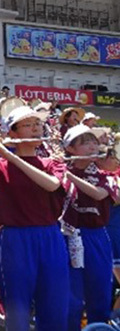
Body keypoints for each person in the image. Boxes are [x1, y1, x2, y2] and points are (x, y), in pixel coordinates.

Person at [0, 106, 69, 331]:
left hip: (50, 235)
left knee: (55, 304)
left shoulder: (54, 162)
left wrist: (8, 155)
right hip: (15, 238)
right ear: (12, 132)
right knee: (17, 305)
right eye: (27, 125)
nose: (35, 129)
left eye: (38, 124)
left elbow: (52, 185)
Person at [61, 125, 118, 330]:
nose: (93, 145)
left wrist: (68, 175)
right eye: (85, 142)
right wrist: (63, 172)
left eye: (94, 141)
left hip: (95, 236)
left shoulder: (105, 175)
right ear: (70, 148)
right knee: (71, 294)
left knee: (99, 288)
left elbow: (99, 194)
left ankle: (99, 327)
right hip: (67, 236)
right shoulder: (57, 171)